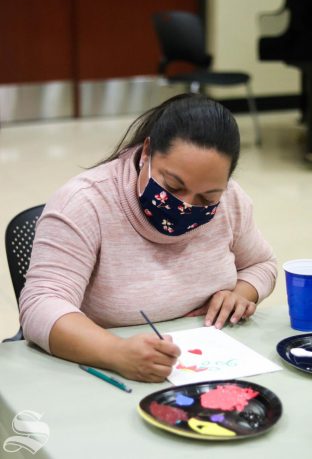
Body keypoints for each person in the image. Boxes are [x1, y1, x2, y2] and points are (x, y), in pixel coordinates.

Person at [19, 94, 277, 382]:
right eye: (173, 185)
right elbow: (40, 305)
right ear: (146, 153)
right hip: (106, 373)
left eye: (207, 197)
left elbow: (261, 264)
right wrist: (116, 352)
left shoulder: (231, 199)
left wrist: (240, 295)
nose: (186, 205)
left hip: (209, 366)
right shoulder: (85, 203)